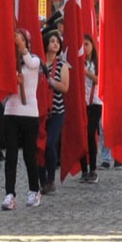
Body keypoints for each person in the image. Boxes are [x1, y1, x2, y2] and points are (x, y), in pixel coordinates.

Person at [0, 28, 42, 211]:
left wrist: (22, 46)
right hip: (11, 112)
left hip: (30, 113)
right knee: (10, 155)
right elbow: (2, 93)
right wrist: (11, 86)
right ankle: (9, 194)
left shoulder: (34, 60)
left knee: (29, 155)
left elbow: (31, 64)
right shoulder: (9, 65)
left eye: (22, 40)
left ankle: (34, 189)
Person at [39, 30, 69, 193]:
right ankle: (41, 180)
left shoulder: (62, 66)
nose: (55, 44)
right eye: (52, 41)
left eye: (57, 42)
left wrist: (50, 80)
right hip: (40, 111)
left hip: (57, 111)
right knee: (39, 146)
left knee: (50, 143)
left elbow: (65, 87)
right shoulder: (39, 63)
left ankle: (51, 179)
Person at [79, 34, 102, 183]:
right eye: (83, 45)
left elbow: (100, 80)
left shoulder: (97, 63)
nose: (85, 47)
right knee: (82, 136)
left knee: (89, 133)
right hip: (82, 102)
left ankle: (93, 168)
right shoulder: (78, 62)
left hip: (95, 102)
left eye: (87, 44)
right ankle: (84, 169)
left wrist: (87, 73)